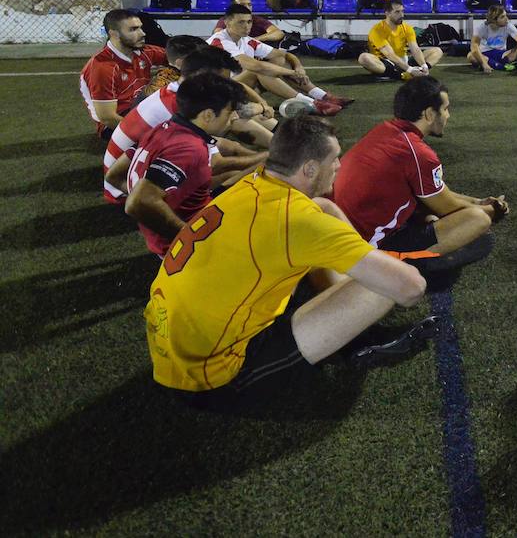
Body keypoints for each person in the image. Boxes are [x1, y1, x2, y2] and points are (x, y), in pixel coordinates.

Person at [145, 116, 433, 406]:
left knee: (324, 209)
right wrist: (373, 267)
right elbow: (411, 288)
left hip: (172, 344)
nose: (339, 166)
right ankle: (348, 332)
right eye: (334, 159)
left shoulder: (254, 182)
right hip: (212, 375)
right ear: (309, 168)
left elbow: (310, 216)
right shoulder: (299, 220)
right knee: (380, 285)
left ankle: (341, 296)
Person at [330, 77, 505, 268]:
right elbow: (446, 207)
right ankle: (407, 264)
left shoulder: (386, 131)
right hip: (364, 248)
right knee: (478, 219)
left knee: (429, 212)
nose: (448, 115)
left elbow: (438, 193)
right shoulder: (418, 153)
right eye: (445, 109)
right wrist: (491, 210)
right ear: (430, 114)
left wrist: (477, 201)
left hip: (340, 231)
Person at [103, 43, 269, 202]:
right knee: (242, 173)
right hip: (131, 189)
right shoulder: (180, 107)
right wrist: (265, 158)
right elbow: (217, 164)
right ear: (200, 77)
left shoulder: (179, 93)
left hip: (127, 172)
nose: (224, 86)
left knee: (230, 146)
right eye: (220, 81)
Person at [109, 73, 248, 257]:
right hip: (181, 248)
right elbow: (138, 202)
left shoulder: (163, 128)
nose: (234, 117)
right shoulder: (188, 147)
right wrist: (189, 237)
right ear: (207, 115)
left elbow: (113, 175)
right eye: (230, 112)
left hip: (166, 232)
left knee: (246, 175)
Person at [210, 4, 351, 115]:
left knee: (276, 62)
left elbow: (283, 55)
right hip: (216, 94)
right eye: (241, 22)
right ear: (227, 22)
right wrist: (289, 73)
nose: (247, 26)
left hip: (238, 87)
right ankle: (312, 104)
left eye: (249, 22)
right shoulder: (219, 41)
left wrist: (298, 66)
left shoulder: (246, 40)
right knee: (261, 70)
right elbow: (255, 66)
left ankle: (322, 96)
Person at [80, 9, 168, 135]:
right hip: (116, 125)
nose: (142, 33)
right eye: (133, 29)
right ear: (114, 34)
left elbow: (182, 58)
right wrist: (148, 134)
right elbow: (108, 118)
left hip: (142, 108)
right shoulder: (102, 67)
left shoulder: (143, 52)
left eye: (141, 28)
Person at [358, 0, 443, 80]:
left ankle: (416, 72)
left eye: (402, 11)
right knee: (364, 58)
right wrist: (410, 70)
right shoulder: (377, 30)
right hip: (386, 63)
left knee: (437, 51)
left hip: (404, 60)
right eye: (397, 12)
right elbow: (390, 55)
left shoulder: (407, 28)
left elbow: (415, 49)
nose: (402, 15)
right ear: (387, 13)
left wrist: (424, 66)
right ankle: (400, 75)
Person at [468, 5, 517, 75]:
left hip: (502, 54)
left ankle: (493, 64)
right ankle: (503, 67)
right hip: (484, 54)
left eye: (506, 15)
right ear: (493, 20)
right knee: (471, 55)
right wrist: (484, 64)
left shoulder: (508, 25)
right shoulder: (481, 28)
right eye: (502, 17)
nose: (507, 19)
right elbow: (474, 46)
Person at [212, 0, 284, 44]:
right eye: (242, 5)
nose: (247, 8)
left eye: (249, 5)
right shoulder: (227, 19)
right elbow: (218, 34)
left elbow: (278, 33)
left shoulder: (257, 19)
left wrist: (255, 40)